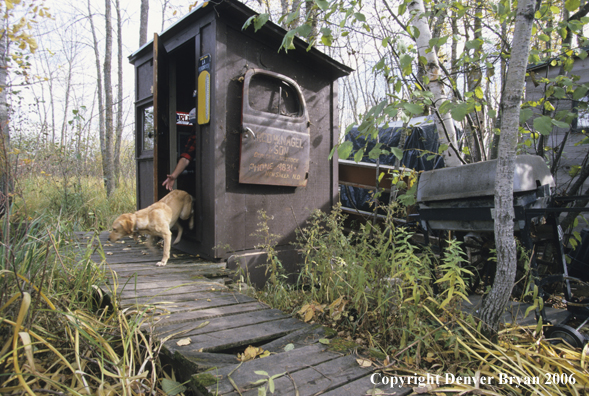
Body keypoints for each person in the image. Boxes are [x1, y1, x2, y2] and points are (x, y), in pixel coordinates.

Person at [162, 108, 197, 191]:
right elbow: (186, 157)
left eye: (196, 124)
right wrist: (174, 176)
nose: (195, 127)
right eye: (194, 124)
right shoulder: (195, 134)